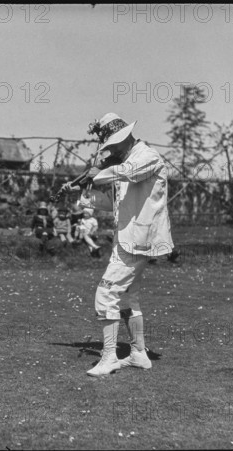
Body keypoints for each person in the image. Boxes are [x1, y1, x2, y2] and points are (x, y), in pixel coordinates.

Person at [61, 112, 174, 377]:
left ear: (123, 138)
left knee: (105, 295)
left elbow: (128, 174)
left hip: (138, 240)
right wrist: (79, 189)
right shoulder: (122, 163)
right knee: (127, 297)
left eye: (111, 145)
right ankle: (138, 353)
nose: (109, 150)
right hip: (125, 239)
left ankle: (109, 357)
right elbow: (112, 204)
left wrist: (95, 174)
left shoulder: (147, 157)